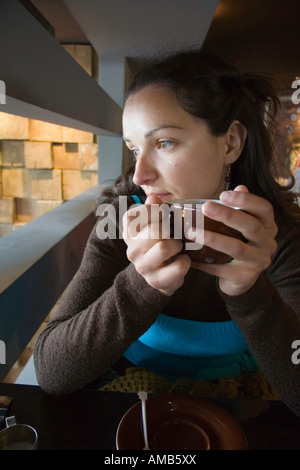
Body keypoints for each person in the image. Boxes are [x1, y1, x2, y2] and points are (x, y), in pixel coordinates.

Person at [34, 49, 300, 416]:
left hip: (237, 409)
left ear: (231, 143)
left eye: (164, 143)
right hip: (128, 403)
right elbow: (50, 369)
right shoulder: (119, 221)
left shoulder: (277, 238)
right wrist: (142, 286)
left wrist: (250, 293)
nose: (141, 175)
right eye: (134, 148)